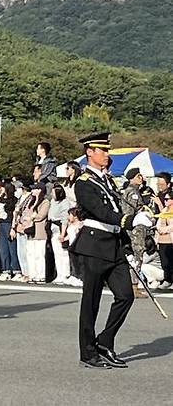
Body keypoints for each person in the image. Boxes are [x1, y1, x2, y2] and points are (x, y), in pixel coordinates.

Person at [71, 132, 145, 369]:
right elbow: (102, 213)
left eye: (107, 151)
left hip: (113, 245)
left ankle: (104, 341)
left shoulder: (107, 180)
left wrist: (127, 244)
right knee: (90, 302)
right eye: (102, 150)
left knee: (126, 295)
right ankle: (88, 352)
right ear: (89, 152)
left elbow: (113, 213)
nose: (106, 155)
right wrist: (131, 220)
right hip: (93, 245)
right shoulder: (83, 183)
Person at [121, 168, 148, 298]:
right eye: (138, 176)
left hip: (135, 228)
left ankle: (134, 285)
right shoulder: (133, 193)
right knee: (137, 257)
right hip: (135, 229)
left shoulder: (134, 191)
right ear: (132, 178)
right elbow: (131, 212)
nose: (140, 178)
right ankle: (134, 287)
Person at [24, 183, 50, 284]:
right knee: (30, 254)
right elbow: (27, 213)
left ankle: (41, 275)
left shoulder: (45, 202)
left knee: (39, 254)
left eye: (34, 189)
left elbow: (41, 215)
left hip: (40, 230)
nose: (32, 191)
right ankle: (32, 274)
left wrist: (32, 217)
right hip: (30, 230)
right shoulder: (32, 201)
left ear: (40, 190)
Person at [0, 182, 19, 281]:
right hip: (1, 224)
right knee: (3, 248)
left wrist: (13, 228)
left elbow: (15, 214)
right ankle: (5, 270)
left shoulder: (14, 200)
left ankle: (15, 269)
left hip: (9, 223)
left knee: (12, 248)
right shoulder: (0, 199)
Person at [48, 184, 71, 284]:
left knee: (63, 253)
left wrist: (62, 234)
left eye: (53, 192)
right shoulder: (53, 202)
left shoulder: (65, 203)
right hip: (53, 228)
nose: (51, 194)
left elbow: (64, 219)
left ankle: (65, 274)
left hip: (61, 227)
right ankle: (59, 273)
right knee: (57, 253)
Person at [155, 191, 173, 289]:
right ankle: (167, 279)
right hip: (162, 240)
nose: (165, 201)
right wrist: (159, 229)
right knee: (164, 262)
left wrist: (165, 230)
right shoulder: (165, 210)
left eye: (167, 199)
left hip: (170, 240)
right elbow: (159, 222)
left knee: (171, 261)